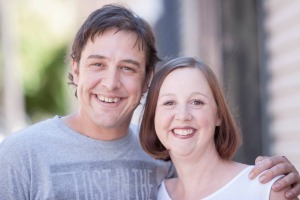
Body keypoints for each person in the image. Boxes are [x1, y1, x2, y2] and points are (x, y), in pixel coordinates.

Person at [0, 4, 299, 200]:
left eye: (128, 68)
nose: (111, 82)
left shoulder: (162, 160)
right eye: (97, 64)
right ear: (75, 69)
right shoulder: (19, 156)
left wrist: (281, 180)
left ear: (146, 80)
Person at [139, 56, 299, 200]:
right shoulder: (155, 193)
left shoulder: (266, 189)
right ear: (153, 116)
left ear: (218, 115)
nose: (182, 115)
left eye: (197, 102)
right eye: (169, 103)